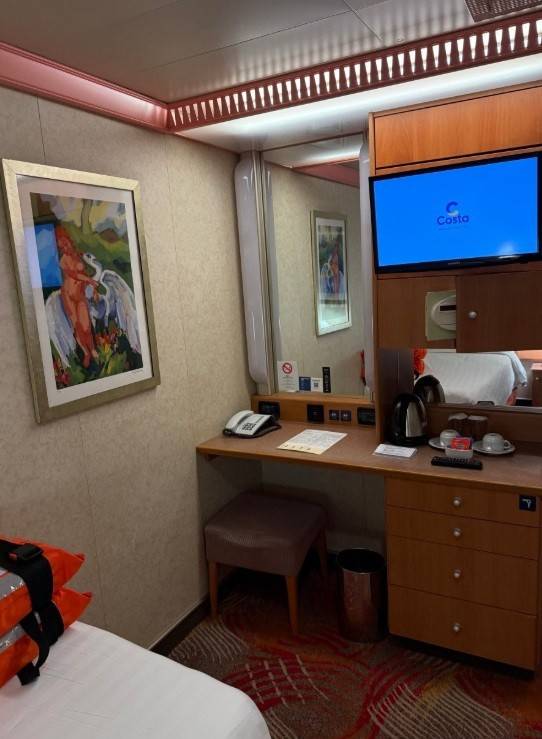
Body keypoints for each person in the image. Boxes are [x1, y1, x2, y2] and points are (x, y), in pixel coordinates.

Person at [56, 224, 99, 368]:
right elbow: (74, 275)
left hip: (80, 295)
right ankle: (86, 352)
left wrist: (94, 289)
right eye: (61, 247)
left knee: (86, 326)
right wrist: (89, 280)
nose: (65, 248)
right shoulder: (63, 261)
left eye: (65, 244)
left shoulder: (79, 255)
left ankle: (93, 349)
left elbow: (85, 274)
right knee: (77, 327)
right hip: (68, 296)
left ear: (69, 240)